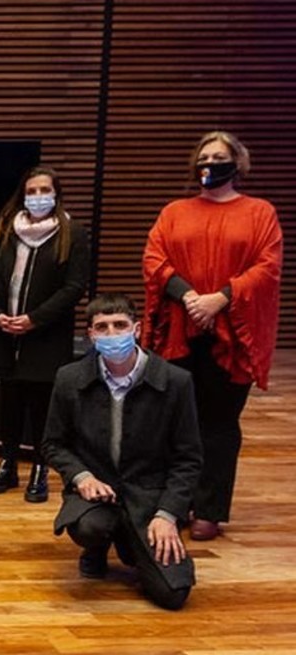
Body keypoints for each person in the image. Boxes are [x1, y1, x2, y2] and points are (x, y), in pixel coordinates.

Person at [142, 131, 282, 541]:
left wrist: (219, 300)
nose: (210, 164)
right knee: (174, 421)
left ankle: (209, 509)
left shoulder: (259, 212)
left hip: (231, 336)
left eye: (219, 158)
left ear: (237, 164)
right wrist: (190, 299)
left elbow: (267, 267)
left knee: (219, 423)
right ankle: (175, 502)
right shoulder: (175, 211)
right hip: (179, 329)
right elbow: (154, 259)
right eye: (204, 158)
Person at [41, 293, 201, 610]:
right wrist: (82, 477)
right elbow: (52, 443)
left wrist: (168, 515)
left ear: (136, 329)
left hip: (149, 496)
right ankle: (99, 546)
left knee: (173, 595)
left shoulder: (176, 381)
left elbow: (188, 459)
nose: (112, 333)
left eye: (120, 325)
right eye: (102, 327)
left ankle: (132, 543)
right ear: (91, 334)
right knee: (90, 527)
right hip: (97, 493)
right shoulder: (69, 378)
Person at [0, 166, 90, 503]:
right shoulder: (6, 229)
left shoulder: (72, 233)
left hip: (46, 334)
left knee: (41, 403)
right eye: (31, 191)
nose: (37, 197)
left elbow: (75, 286)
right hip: (4, 333)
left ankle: (39, 468)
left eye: (44, 190)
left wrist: (34, 319)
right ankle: (7, 464)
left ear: (56, 194)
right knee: (11, 400)